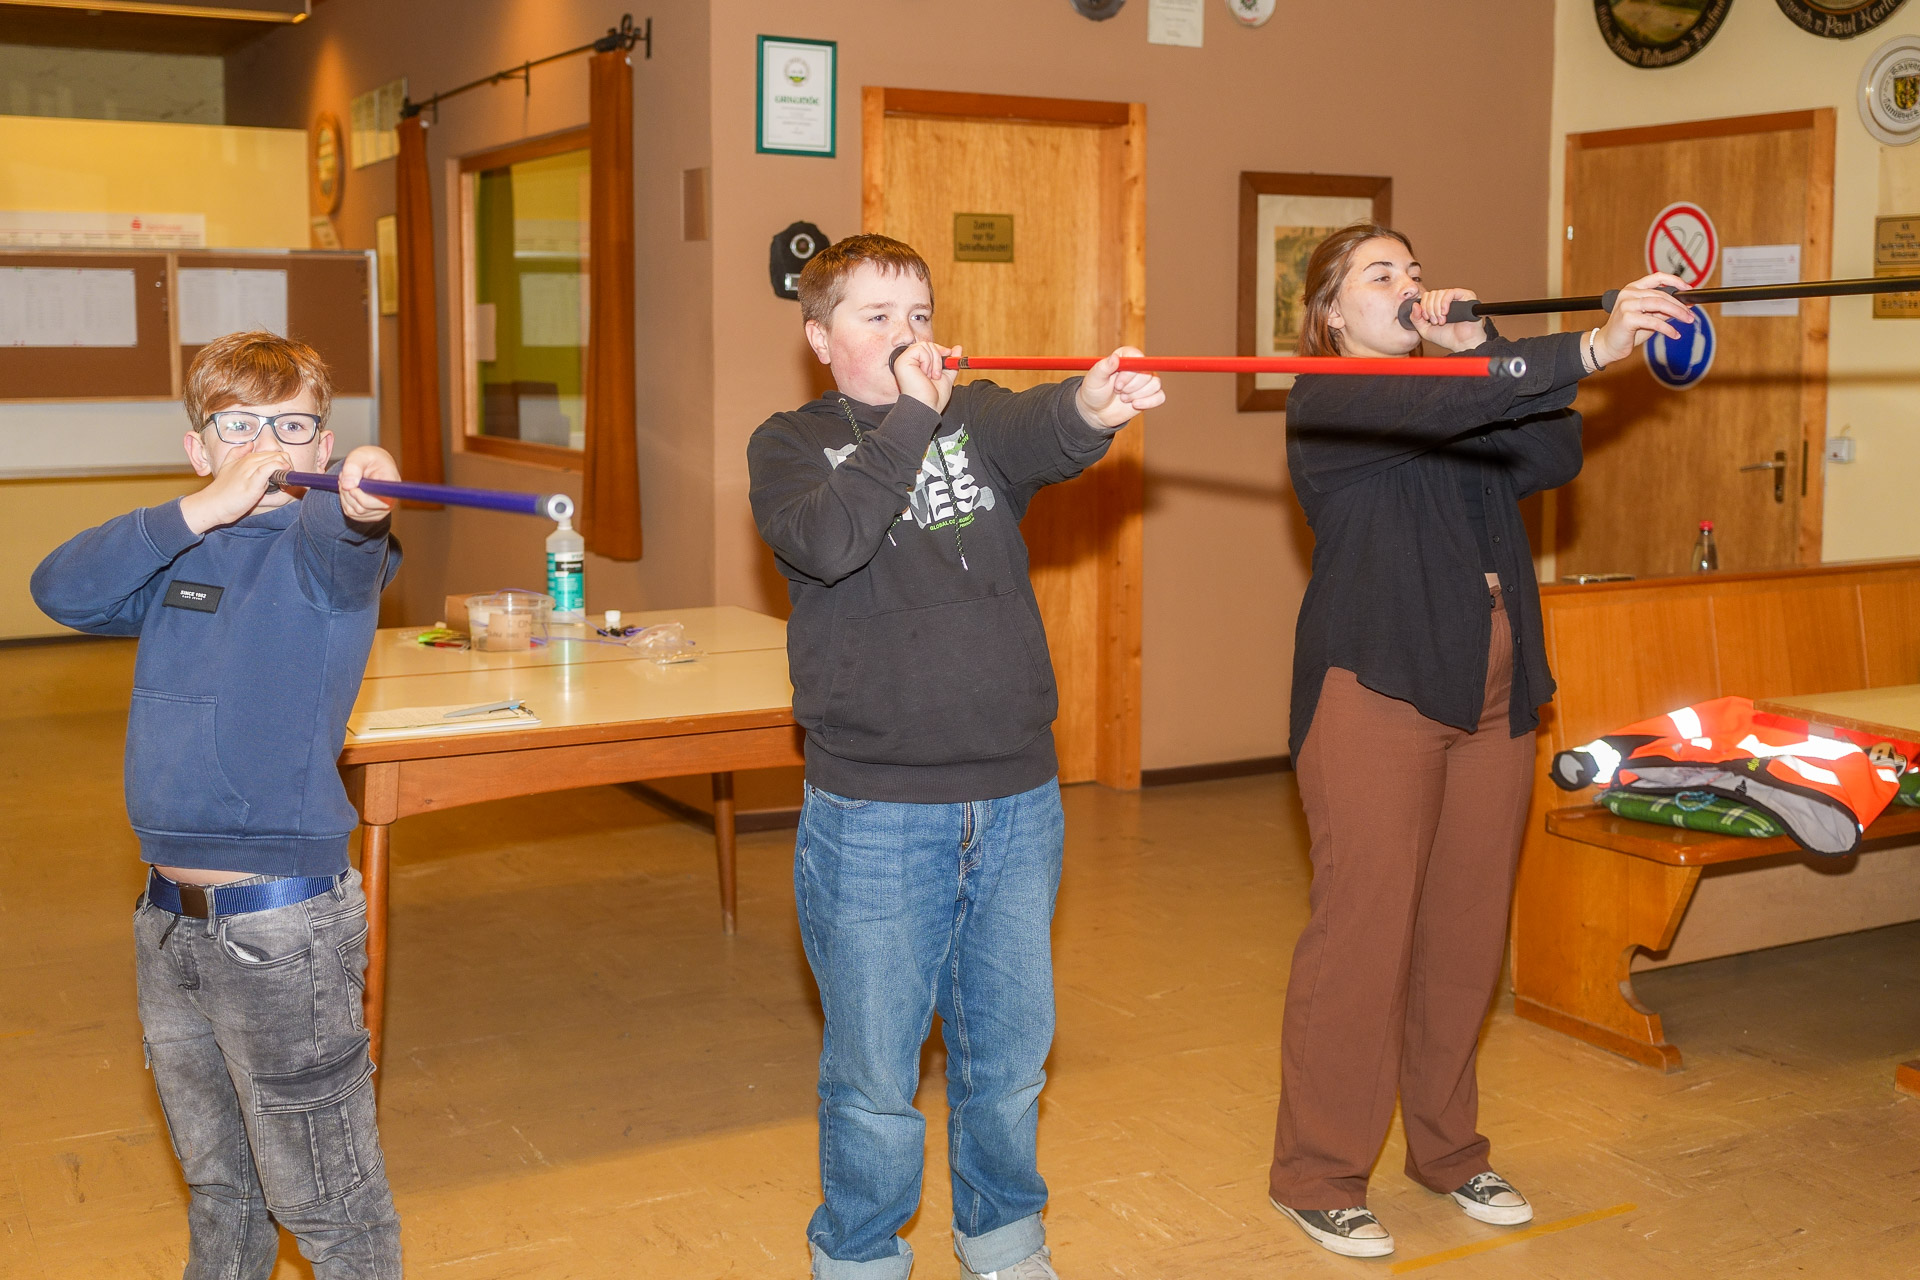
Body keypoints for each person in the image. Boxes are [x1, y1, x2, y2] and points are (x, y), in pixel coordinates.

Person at [1266, 224, 1691, 1259]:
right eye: (1381, 275)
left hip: (1495, 690)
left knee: (1463, 933)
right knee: (1365, 935)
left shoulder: (1459, 380)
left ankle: (1450, 1149)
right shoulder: (1329, 398)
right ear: (1331, 314)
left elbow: (1550, 446)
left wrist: (1484, 337)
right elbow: (1455, 404)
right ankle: (1317, 1171)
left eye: (1414, 270)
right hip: (1377, 685)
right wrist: (1584, 347)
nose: (1408, 286)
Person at [747, 234, 1164, 1280]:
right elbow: (832, 543)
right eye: (877, 316)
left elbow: (1041, 426)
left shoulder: (969, 414)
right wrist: (910, 419)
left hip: (1019, 796)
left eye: (920, 315)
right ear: (817, 335)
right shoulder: (790, 444)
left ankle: (1003, 1235)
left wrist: (1094, 406)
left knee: (1010, 1056)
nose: (906, 336)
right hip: (879, 808)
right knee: (876, 1073)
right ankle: (859, 1251)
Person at [31, 331, 406, 1279]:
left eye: (295, 426)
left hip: (281, 928)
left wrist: (364, 491)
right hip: (168, 924)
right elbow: (58, 588)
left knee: (329, 1203)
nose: (272, 447)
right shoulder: (178, 551)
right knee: (220, 1186)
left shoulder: (323, 552)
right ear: (200, 446)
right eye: (240, 427)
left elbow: (355, 532)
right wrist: (196, 511)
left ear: (321, 446)